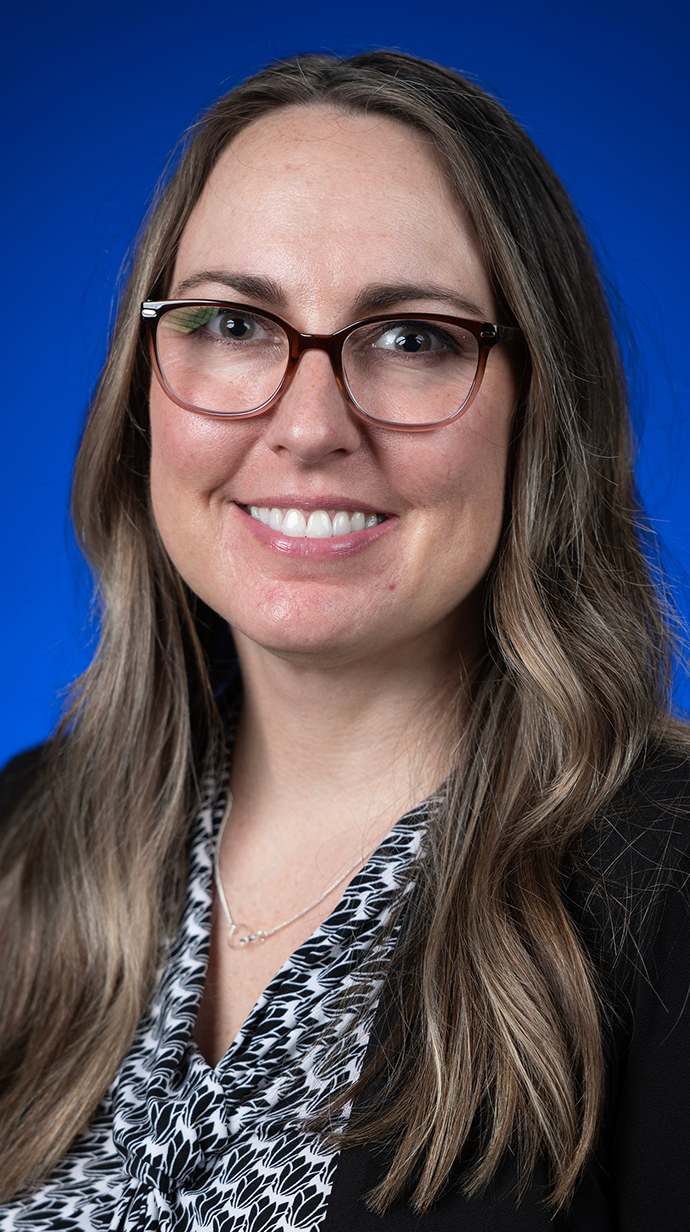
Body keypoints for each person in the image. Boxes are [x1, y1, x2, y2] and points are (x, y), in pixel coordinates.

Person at [1, 49, 689, 1232]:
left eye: (413, 337)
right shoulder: (21, 842)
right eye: (233, 323)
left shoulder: (667, 890)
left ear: (540, 405)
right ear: (144, 386)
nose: (310, 425)